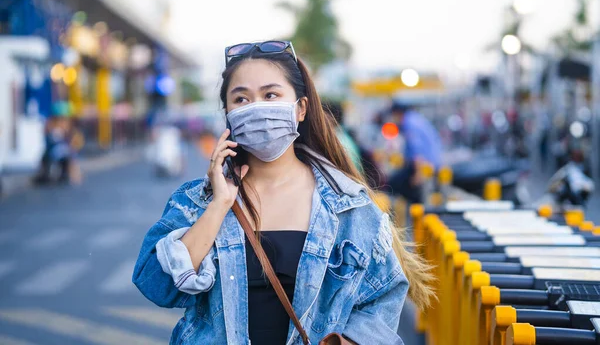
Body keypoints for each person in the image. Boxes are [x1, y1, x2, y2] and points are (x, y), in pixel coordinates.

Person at [133, 40, 433, 345]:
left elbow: (383, 297)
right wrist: (220, 204)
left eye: (270, 94)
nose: (257, 108)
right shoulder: (199, 201)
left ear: (300, 109)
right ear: (228, 114)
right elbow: (157, 284)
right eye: (241, 99)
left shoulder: (347, 204)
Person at [386, 102, 442, 203]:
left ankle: (410, 213)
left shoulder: (409, 123)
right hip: (429, 164)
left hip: (426, 166)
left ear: (397, 113)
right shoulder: (414, 118)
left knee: (393, 184)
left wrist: (418, 174)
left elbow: (418, 151)